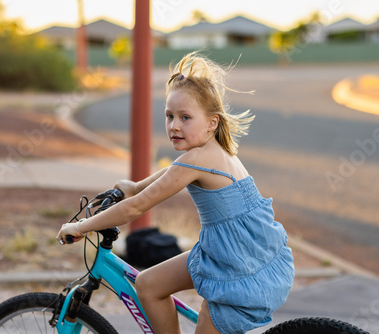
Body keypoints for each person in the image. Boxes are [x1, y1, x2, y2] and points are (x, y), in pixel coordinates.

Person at [57, 51, 294, 334]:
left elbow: (135, 208)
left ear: (212, 122)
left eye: (185, 117)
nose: (174, 126)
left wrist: (82, 226)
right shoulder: (210, 152)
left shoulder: (199, 159)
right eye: (169, 116)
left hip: (239, 268)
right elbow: (171, 172)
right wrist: (135, 186)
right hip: (233, 252)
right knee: (148, 284)